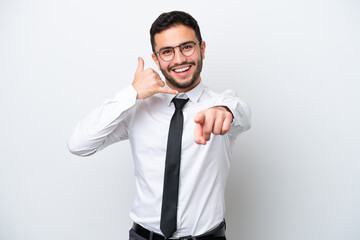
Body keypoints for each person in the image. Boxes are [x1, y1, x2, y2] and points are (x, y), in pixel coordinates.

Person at [68, 10, 251, 240]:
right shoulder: (137, 108)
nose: (179, 59)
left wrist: (224, 113)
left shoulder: (221, 104)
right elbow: (78, 144)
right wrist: (132, 93)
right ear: (156, 59)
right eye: (167, 52)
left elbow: (242, 114)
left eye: (187, 47)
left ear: (202, 48)